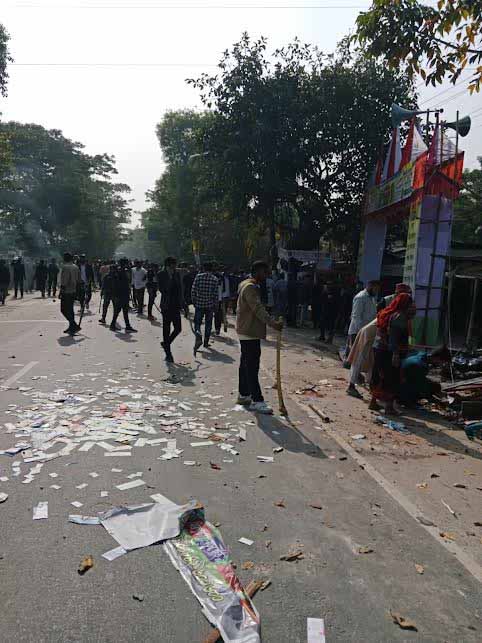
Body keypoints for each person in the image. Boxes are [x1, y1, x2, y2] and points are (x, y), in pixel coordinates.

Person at [236, 260, 283, 414]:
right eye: (265, 272)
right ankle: (258, 400)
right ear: (257, 271)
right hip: (249, 331)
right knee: (252, 366)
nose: (267, 275)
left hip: (247, 330)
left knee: (245, 365)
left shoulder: (245, 284)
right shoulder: (249, 287)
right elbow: (257, 308)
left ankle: (244, 395)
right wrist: (272, 323)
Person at [369, 293, 413, 415]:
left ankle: (373, 402)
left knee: (379, 375)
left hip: (379, 349)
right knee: (392, 378)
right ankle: (389, 407)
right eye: (409, 304)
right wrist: (395, 354)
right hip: (390, 352)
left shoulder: (386, 313)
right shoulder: (399, 317)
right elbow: (394, 337)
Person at [158, 257, 184, 362]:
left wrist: (183, 302)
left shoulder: (177, 274)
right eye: (173, 264)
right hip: (166, 305)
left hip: (176, 305)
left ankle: (166, 343)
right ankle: (168, 354)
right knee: (166, 328)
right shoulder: (161, 274)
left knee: (178, 328)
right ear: (169, 265)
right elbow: (162, 289)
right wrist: (170, 278)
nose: (175, 266)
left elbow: (180, 288)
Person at [346, 318, 378, 399]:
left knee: (370, 361)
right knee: (358, 360)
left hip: (370, 335)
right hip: (368, 336)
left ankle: (371, 386)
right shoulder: (393, 316)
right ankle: (351, 386)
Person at [191, 262, 219, 353]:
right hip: (209, 305)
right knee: (208, 324)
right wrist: (216, 305)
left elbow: (193, 290)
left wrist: (194, 301)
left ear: (203, 268)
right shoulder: (214, 279)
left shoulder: (198, 277)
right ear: (212, 269)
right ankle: (206, 342)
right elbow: (215, 294)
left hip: (199, 304)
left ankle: (198, 333)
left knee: (197, 322)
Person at [346, 280, 379, 354]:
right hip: (358, 331)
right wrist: (360, 331)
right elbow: (356, 316)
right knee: (354, 353)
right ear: (370, 287)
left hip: (366, 330)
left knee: (359, 354)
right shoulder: (361, 297)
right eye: (375, 289)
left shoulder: (372, 298)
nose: (376, 292)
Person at [110, 259, 137, 333]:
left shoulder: (123, 271)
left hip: (123, 294)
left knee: (124, 311)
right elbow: (116, 285)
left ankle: (127, 326)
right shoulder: (119, 272)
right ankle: (113, 325)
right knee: (118, 311)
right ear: (124, 264)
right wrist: (116, 295)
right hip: (120, 295)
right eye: (127, 264)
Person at [59, 252, 81, 335]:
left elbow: (64, 281)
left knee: (63, 309)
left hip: (67, 291)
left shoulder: (65, 267)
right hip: (74, 290)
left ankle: (73, 325)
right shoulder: (75, 267)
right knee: (70, 309)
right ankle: (72, 326)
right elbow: (79, 280)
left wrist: (61, 292)